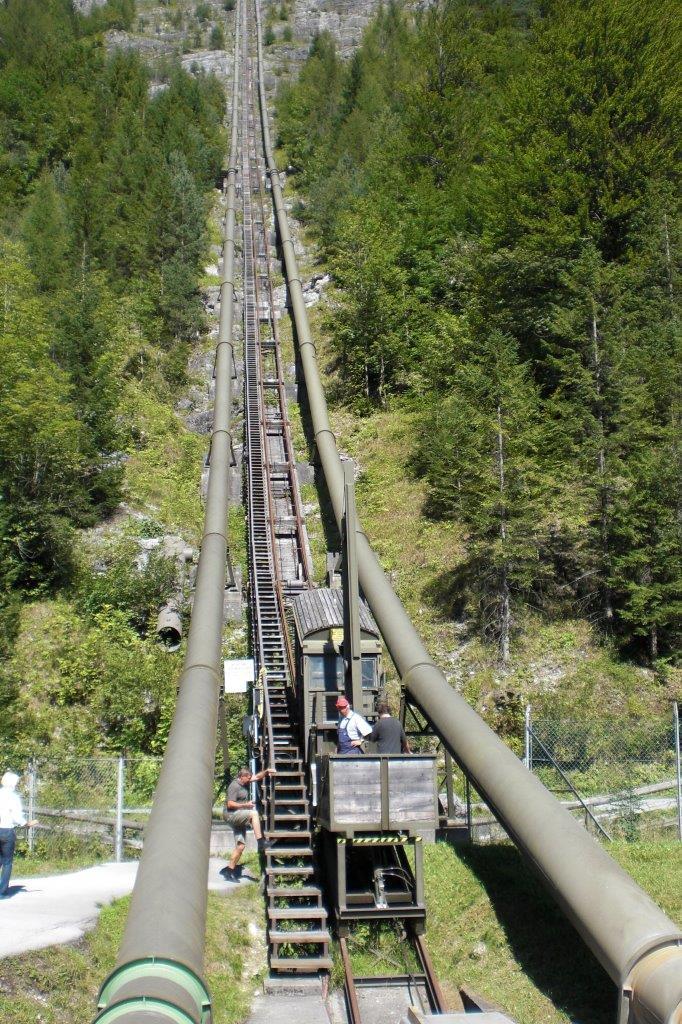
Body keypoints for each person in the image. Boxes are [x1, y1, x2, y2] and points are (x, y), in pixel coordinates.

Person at [221, 766, 276, 882]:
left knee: (240, 846)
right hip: (231, 815)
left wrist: (266, 772)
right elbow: (230, 804)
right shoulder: (234, 786)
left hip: (238, 815)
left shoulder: (244, 781)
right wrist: (245, 805)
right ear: (242, 777)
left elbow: (257, 777)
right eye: (248, 778)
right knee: (253, 814)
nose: (250, 780)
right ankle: (261, 842)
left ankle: (229, 873)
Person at [0, 771, 37, 899]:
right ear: (13, 783)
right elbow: (17, 816)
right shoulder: (13, 797)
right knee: (7, 862)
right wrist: (26, 823)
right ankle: (2, 892)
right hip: (7, 830)